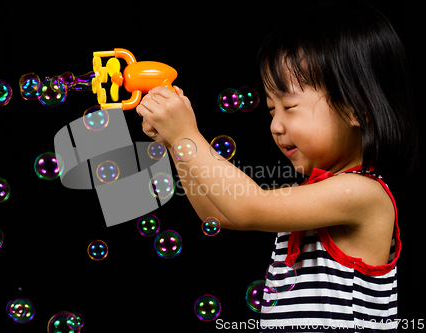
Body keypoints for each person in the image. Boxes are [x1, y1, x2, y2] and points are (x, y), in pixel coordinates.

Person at [136, 1, 417, 331]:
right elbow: (218, 214)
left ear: (357, 108)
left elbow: (247, 207)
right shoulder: (317, 193)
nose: (275, 125)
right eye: (271, 110)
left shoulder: (363, 193)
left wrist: (186, 135)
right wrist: (174, 143)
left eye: (289, 106)